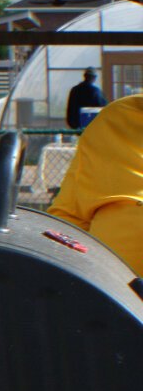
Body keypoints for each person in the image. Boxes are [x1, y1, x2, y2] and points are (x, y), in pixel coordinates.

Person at [47, 94, 143, 275]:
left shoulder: (117, 116)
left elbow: (68, 215)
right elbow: (67, 217)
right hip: (112, 284)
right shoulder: (118, 117)